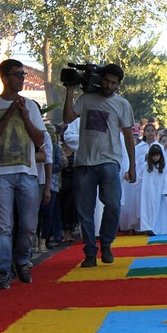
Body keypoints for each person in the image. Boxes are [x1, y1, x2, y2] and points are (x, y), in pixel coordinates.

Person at [62, 63, 137, 268]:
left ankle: (106, 243)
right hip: (84, 163)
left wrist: (132, 166)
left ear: (118, 85)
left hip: (110, 162)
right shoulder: (85, 99)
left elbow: (128, 135)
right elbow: (67, 118)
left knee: (113, 205)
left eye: (113, 83)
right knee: (85, 211)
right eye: (106, 80)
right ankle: (89, 252)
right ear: (100, 79)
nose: (108, 85)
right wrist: (69, 91)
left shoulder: (122, 104)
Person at [0, 59, 46, 290]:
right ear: (5, 78)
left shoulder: (31, 106)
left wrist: (25, 116)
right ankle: (2, 269)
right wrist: (8, 115)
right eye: (18, 75)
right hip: (1, 174)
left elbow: (40, 141)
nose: (22, 79)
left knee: (28, 224)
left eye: (23, 74)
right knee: (3, 226)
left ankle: (22, 261)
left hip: (27, 172)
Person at [139, 142, 167, 236]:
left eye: (157, 155)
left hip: (159, 192)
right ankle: (147, 227)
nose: (155, 158)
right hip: (147, 192)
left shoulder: (165, 167)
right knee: (147, 209)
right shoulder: (145, 166)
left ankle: (158, 228)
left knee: (159, 210)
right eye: (153, 156)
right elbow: (139, 178)